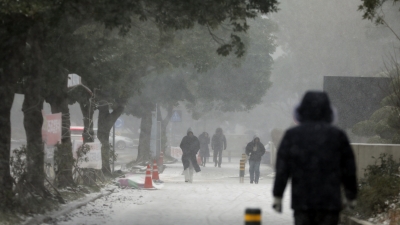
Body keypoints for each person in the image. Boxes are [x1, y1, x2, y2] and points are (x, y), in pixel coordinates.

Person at [272, 91, 357, 225]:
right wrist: (351, 194)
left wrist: (278, 195)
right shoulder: (338, 136)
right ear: (329, 111)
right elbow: (349, 169)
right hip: (330, 201)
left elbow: (282, 168)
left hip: (302, 201)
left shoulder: (292, 135)